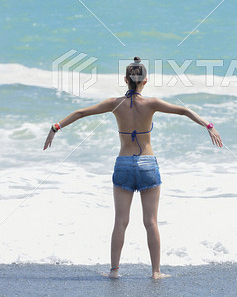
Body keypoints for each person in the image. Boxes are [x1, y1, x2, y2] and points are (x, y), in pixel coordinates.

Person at [43, 56, 223, 279]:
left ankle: (114, 270)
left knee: (120, 221)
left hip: (124, 164)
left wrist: (55, 127)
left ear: (125, 80)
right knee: (151, 222)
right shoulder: (152, 103)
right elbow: (184, 111)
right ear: (145, 81)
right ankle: (156, 272)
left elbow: (81, 113)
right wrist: (209, 126)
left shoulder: (114, 103)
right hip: (148, 165)